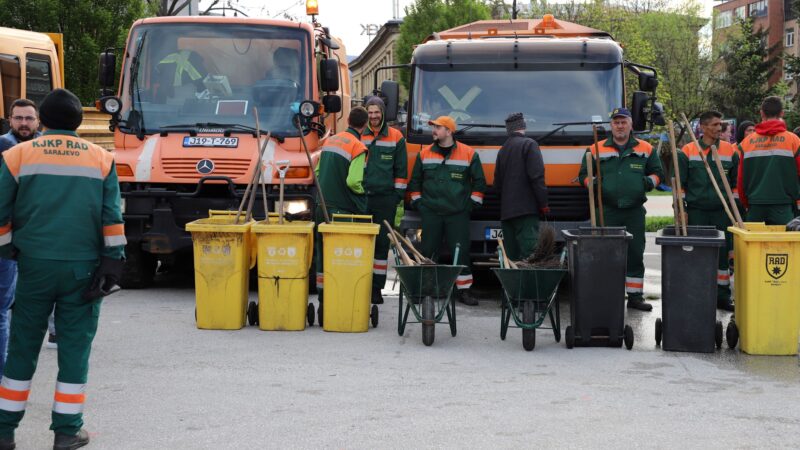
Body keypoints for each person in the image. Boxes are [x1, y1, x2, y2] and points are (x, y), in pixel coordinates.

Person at [0, 89, 126, 450]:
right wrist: (113, 263)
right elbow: (112, 219)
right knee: (74, 349)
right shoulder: (102, 159)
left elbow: (0, 213)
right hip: (83, 269)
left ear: (43, 120)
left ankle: (4, 430)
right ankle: (67, 431)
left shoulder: (16, 155)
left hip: (34, 265)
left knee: (22, 347)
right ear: (79, 121)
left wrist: (11, 250)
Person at [578, 108, 665, 312]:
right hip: (606, 211)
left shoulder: (645, 148)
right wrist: (593, 183)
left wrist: (645, 183)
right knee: (604, 254)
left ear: (631, 124)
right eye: (616, 122)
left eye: (623, 122)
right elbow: (583, 174)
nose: (619, 126)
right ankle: (606, 293)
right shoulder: (595, 149)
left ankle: (635, 297)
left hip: (634, 211)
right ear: (611, 125)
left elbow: (658, 173)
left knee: (635, 253)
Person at [408, 116, 486, 305]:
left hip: (457, 214)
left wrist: (470, 205)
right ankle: (425, 289)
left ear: (449, 131)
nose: (434, 130)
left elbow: (479, 182)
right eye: (433, 127)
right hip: (431, 213)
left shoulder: (468, 154)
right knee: (427, 251)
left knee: (461, 252)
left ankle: (464, 291)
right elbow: (415, 182)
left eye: (438, 127)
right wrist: (420, 204)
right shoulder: (424, 154)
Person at [677, 111, 737, 312]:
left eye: (720, 124)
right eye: (714, 125)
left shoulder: (730, 151)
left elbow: (736, 185)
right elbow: (680, 186)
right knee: (697, 254)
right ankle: (697, 293)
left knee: (722, 256)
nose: (719, 128)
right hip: (697, 212)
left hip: (722, 212)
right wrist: (681, 210)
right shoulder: (688, 150)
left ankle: (722, 296)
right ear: (702, 128)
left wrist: (736, 213)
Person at [0, 99, 43, 376]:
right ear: (10, 119)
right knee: (4, 306)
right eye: (19, 118)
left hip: (36, 236)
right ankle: (4, 373)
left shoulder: (45, 147)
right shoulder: (3, 146)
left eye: (29, 118)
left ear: (38, 120)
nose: (24, 124)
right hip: (8, 238)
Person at [313, 107, 369, 297]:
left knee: (322, 251)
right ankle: (339, 294)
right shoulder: (357, 146)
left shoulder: (330, 140)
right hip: (341, 210)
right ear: (365, 125)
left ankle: (322, 295)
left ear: (348, 122)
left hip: (321, 205)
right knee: (340, 254)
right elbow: (353, 182)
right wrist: (363, 193)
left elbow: (318, 172)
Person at [360, 96, 407, 305]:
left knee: (380, 247)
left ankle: (376, 289)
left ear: (383, 113)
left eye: (376, 112)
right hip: (362, 198)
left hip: (385, 200)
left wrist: (395, 197)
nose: (373, 116)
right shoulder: (359, 134)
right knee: (360, 243)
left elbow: (401, 170)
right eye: (369, 112)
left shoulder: (396, 137)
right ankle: (360, 285)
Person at [494, 112, 549, 260]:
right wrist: (543, 204)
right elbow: (537, 177)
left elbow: (497, 184)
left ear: (509, 129)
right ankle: (530, 283)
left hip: (506, 214)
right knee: (530, 255)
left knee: (512, 257)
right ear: (523, 126)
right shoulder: (529, 144)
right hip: (526, 212)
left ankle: (513, 283)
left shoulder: (502, 149)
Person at [737, 96, 800, 225]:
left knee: (754, 245)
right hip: (783, 205)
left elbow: (741, 178)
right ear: (782, 113)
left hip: (755, 206)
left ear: (762, 113)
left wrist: (746, 202)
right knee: (784, 244)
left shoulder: (747, 142)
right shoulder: (794, 140)